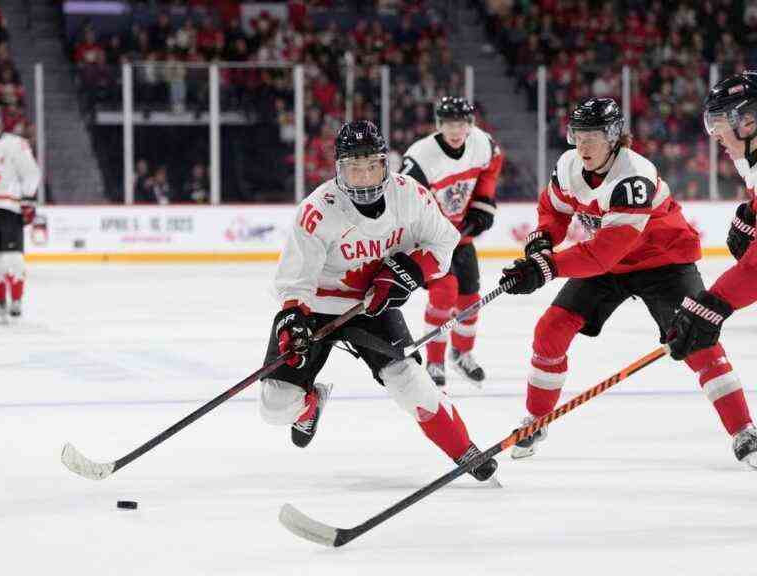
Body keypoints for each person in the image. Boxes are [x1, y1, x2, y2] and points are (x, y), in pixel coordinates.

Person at [497, 97, 757, 467]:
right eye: (578, 135)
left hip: (663, 262)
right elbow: (553, 208)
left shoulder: (633, 175)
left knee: (699, 339)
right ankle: (536, 420)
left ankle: (744, 429)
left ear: (615, 137)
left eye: (593, 137)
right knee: (550, 330)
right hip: (609, 264)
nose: (583, 146)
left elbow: (603, 253)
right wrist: (541, 240)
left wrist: (546, 268)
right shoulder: (569, 165)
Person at [259, 120, 498, 481]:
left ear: (385, 164)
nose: (364, 176)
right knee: (275, 406)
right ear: (339, 169)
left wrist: (409, 272)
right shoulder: (318, 209)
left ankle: (464, 449)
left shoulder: (410, 196)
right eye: (354, 168)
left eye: (371, 165)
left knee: (410, 382)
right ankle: (309, 407)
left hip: (374, 306)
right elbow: (294, 282)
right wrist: (292, 323)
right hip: (317, 310)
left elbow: (444, 242)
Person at [667, 72, 757, 467]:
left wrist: (714, 303)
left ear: (749, 121)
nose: (714, 133)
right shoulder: (749, 155)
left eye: (720, 122)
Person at [401, 96, 503, 387]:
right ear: (439, 125)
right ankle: (434, 361)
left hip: (461, 237)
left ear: (470, 124)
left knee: (470, 298)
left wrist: (483, 203)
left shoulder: (482, 144)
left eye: (461, 123)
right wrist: (432, 232)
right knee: (445, 291)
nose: (455, 130)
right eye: (448, 124)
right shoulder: (420, 156)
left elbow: (493, 163)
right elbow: (407, 202)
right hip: (429, 241)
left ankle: (462, 354)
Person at [0, 103, 40, 320]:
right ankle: (0, 304)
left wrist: (27, 200)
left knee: (13, 259)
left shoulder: (14, 144)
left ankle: (16, 300)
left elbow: (30, 172)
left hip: (9, 208)